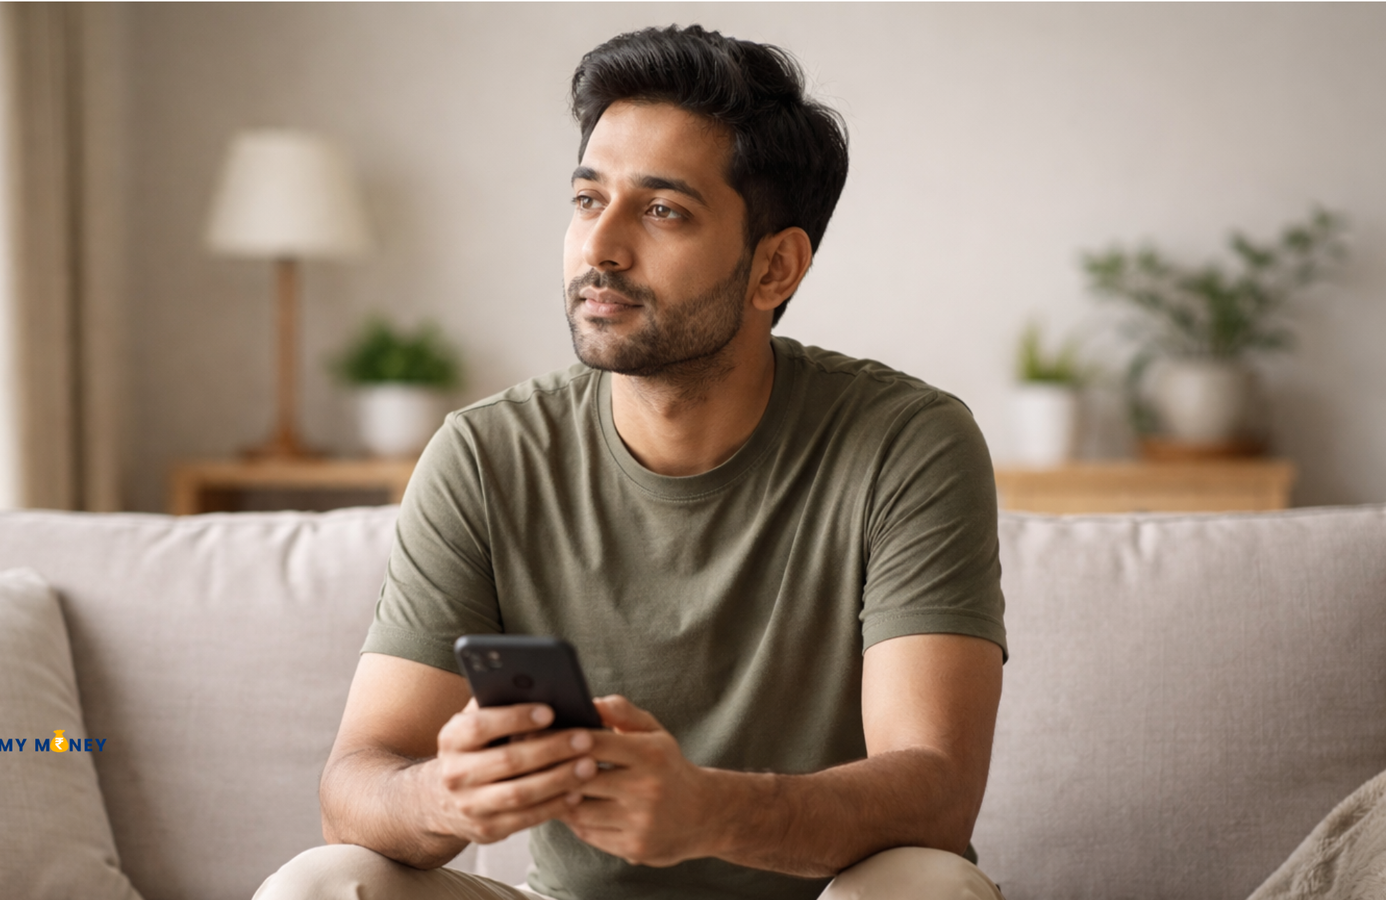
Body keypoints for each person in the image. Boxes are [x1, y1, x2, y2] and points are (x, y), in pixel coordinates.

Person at [255, 24, 1006, 900]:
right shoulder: (487, 454)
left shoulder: (905, 444)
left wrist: (710, 812)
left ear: (775, 267)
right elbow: (354, 790)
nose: (599, 249)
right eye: (586, 200)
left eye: (661, 211)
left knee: (927, 886)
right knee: (325, 882)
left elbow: (939, 794)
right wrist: (445, 795)